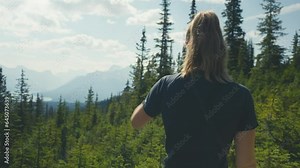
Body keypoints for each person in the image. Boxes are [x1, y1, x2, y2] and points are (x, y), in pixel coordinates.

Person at [130, 11, 258, 168]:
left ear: (188, 44)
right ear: (221, 47)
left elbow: (136, 122)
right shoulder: (241, 96)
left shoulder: (167, 85)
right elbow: (246, 163)